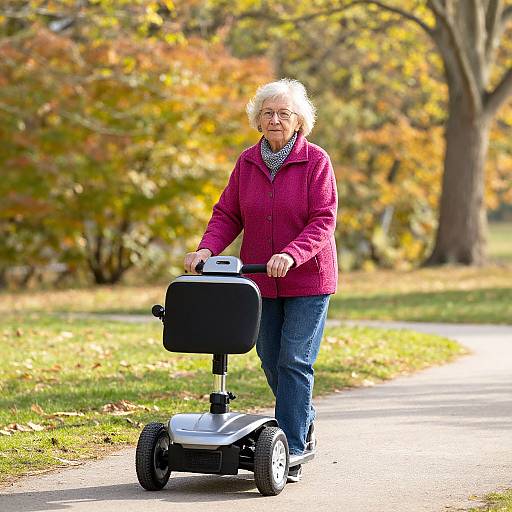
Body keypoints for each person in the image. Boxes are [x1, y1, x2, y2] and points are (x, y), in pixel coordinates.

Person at [184, 78, 338, 483]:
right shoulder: (247, 163)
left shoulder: (316, 161)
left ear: (299, 120)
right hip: (258, 281)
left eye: (283, 113)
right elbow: (227, 214)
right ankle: (300, 418)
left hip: (308, 280)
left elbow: (324, 220)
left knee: (294, 360)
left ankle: (292, 449)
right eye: (267, 113)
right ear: (257, 119)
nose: (274, 120)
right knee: (270, 357)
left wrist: (291, 253)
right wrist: (206, 251)